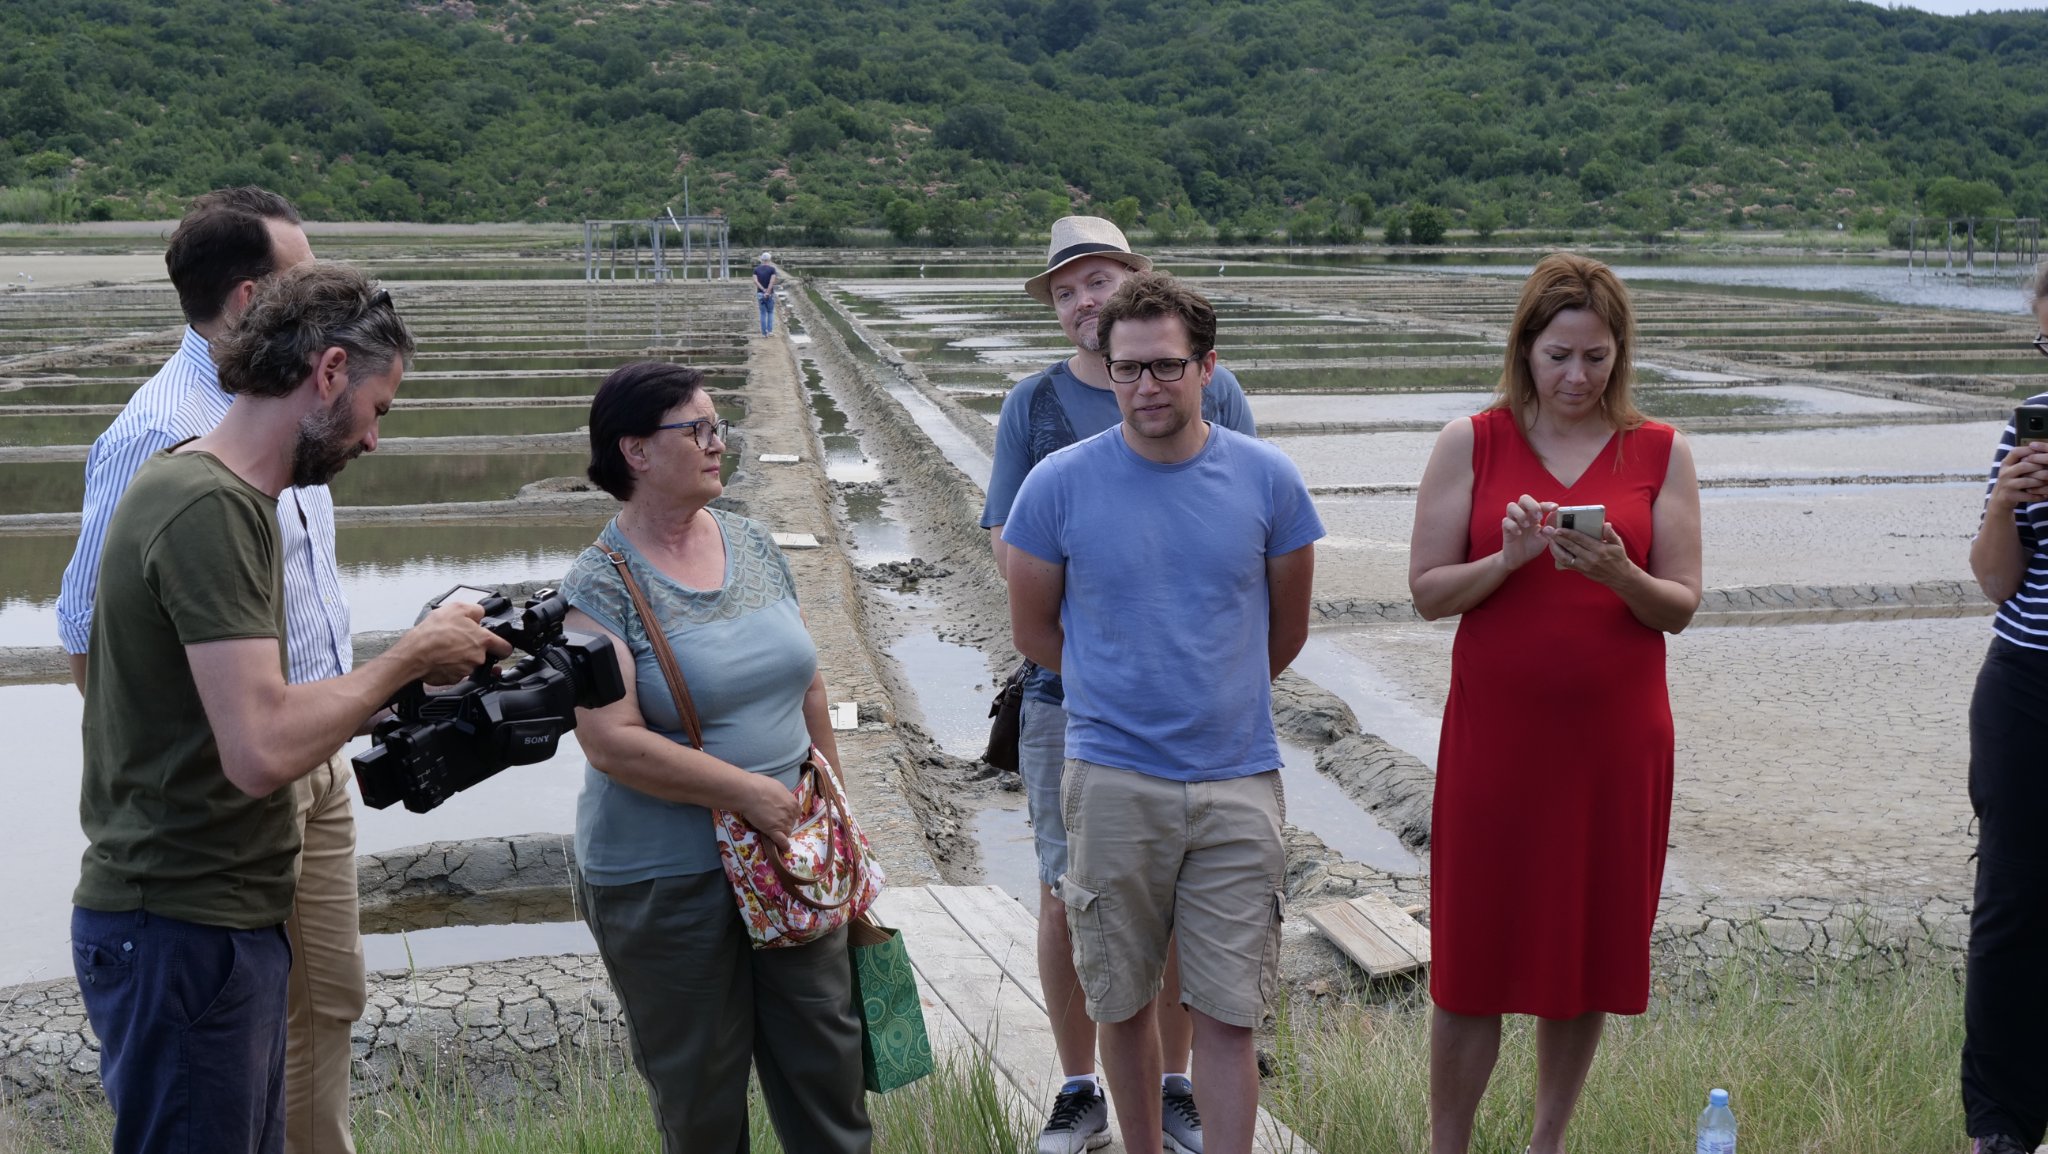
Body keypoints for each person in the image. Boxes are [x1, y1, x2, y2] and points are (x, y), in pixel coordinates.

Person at [71, 261, 507, 1154]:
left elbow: (249, 712)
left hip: (213, 920)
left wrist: (404, 681)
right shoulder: (210, 509)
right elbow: (261, 748)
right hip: (184, 928)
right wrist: (409, 657)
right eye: (379, 410)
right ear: (332, 370)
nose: (375, 441)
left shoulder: (213, 490)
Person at [55, 187, 368, 1154]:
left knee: (320, 1012)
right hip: (235, 782)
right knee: (222, 1049)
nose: (322, 297)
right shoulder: (168, 433)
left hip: (311, 752)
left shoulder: (287, 416)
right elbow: (89, 634)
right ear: (246, 300)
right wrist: (212, 755)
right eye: (301, 279)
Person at [1005, 271, 1321, 1154]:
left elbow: (1285, 630)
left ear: (1207, 368)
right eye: (1128, 369)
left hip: (1238, 779)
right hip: (1111, 780)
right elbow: (1033, 626)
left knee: (1228, 1012)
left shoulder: (1268, 481)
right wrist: (1124, 687)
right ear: (1107, 371)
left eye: (1166, 367)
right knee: (1122, 999)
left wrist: (1207, 691)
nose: (1146, 387)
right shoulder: (1058, 487)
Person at [1406, 252, 1701, 1154]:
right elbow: (1425, 591)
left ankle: (1547, 1144)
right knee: (1472, 960)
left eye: (1596, 357)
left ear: (1620, 355)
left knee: (1583, 954)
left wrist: (1619, 572)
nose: (1577, 376)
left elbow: (1681, 604)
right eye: (1558, 355)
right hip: (1499, 743)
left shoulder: (1661, 449)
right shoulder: (1474, 440)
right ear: (1525, 349)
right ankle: (1446, 1146)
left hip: (1616, 743)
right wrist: (1507, 560)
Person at [561, 361, 871, 1154]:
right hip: (668, 878)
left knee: (826, 1070)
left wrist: (827, 806)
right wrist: (748, 793)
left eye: (717, 426)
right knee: (700, 1097)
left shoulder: (752, 541)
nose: (715, 442)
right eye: (695, 429)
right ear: (634, 450)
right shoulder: (599, 585)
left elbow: (807, 679)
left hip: (788, 853)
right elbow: (612, 742)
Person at [1958, 263, 2048, 1154]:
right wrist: (2004, 504)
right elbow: (1995, 581)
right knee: (2013, 904)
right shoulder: (2029, 421)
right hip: (2026, 683)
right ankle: (2000, 1126)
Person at [753, 251, 780, 335]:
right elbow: (771, 282)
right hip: (770, 294)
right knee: (770, 312)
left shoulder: (756, 269)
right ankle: (770, 331)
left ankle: (764, 333)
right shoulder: (772, 269)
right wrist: (767, 292)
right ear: (769, 259)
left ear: (762, 259)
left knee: (762, 313)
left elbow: (755, 281)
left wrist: (763, 290)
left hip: (760, 294)